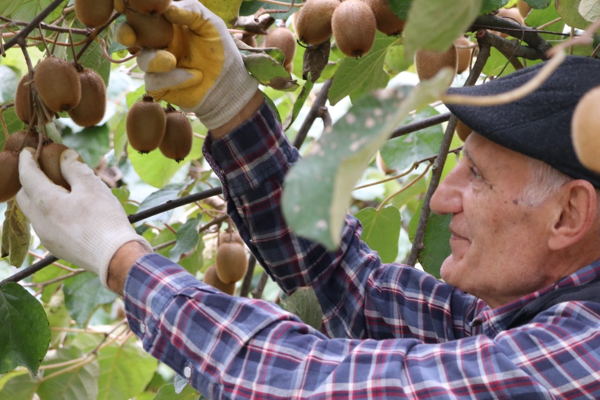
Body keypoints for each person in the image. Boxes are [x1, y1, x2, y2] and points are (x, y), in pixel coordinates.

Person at [15, 1, 600, 398]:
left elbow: (313, 386)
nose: (445, 198)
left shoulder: (580, 362)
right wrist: (230, 107)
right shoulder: (521, 317)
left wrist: (121, 259)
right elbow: (351, 286)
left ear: (569, 214)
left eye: (478, 176)